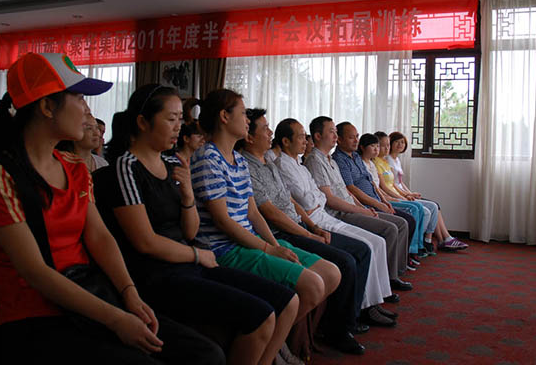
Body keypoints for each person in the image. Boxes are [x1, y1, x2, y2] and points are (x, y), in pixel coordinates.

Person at [0, 52, 224, 365]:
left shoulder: (74, 166)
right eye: (79, 98)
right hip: (35, 316)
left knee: (206, 354)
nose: (88, 111)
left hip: (90, 294)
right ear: (47, 107)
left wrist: (129, 294)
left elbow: (100, 237)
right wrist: (115, 319)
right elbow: (35, 272)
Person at [95, 84, 300, 365]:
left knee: (282, 300)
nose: (178, 127)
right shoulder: (127, 167)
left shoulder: (173, 163)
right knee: (259, 317)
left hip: (189, 263)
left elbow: (190, 231)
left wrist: (188, 197)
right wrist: (196, 254)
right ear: (143, 122)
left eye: (180, 119)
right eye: (171, 119)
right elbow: (145, 242)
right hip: (158, 273)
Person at [191, 89, 340, 327]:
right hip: (225, 249)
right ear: (224, 116)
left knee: (331, 273)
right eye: (243, 113)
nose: (247, 120)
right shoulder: (208, 157)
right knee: (313, 284)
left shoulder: (239, 160)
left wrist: (274, 245)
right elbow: (223, 221)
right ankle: (274, 341)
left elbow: (252, 213)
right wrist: (269, 249)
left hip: (251, 240)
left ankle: (282, 337)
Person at [238, 108, 373, 354]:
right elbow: (270, 212)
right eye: (265, 129)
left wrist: (312, 226)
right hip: (282, 232)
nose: (270, 133)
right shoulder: (248, 165)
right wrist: (309, 234)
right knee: (346, 261)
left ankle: (354, 316)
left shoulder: (269, 162)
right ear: (248, 136)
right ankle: (337, 330)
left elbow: (290, 200)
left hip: (302, 223)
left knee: (359, 251)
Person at [272, 117, 400, 326]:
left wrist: (317, 200)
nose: (305, 140)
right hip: (320, 217)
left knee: (375, 243)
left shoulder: (304, 165)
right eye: (332, 132)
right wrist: (318, 201)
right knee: (366, 247)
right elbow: (311, 200)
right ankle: (363, 309)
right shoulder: (291, 164)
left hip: (322, 214)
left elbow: (318, 197)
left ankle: (373, 303)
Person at [303, 116, 413, 293]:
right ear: (317, 136)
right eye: (332, 132)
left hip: (353, 208)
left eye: (336, 132)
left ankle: (391, 275)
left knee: (400, 223)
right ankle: (387, 280)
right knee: (389, 229)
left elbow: (348, 191)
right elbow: (331, 199)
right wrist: (362, 209)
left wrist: (364, 208)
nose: (335, 136)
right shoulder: (316, 161)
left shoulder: (331, 160)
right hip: (339, 213)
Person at [328, 121, 415, 278]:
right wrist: (375, 205)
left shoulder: (356, 156)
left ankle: (398, 269)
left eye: (357, 136)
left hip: (375, 201)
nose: (356, 140)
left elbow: (372, 182)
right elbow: (351, 188)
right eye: (351, 137)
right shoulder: (339, 160)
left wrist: (383, 200)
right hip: (362, 204)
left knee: (404, 222)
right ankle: (390, 276)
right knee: (394, 227)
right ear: (339, 139)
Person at [387, 131, 468, 251]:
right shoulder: (387, 160)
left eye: (402, 142)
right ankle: (441, 239)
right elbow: (392, 185)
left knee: (435, 206)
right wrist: (407, 195)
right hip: (396, 195)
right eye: (397, 142)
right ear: (390, 143)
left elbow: (400, 182)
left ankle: (444, 239)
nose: (400, 144)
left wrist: (410, 192)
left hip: (403, 193)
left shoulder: (397, 160)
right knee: (432, 207)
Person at [358, 133, 427, 262]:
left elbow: (383, 185)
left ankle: (417, 247)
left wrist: (406, 194)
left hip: (384, 197)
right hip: (379, 199)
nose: (378, 149)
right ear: (362, 147)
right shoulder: (366, 163)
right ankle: (410, 251)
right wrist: (388, 199)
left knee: (420, 207)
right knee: (413, 210)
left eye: (379, 146)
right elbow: (380, 187)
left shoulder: (374, 163)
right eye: (374, 146)